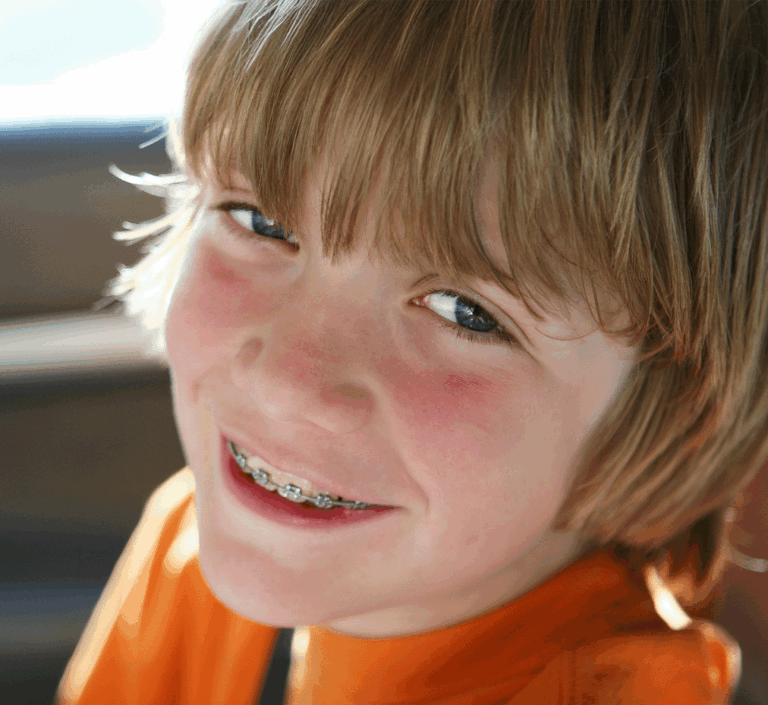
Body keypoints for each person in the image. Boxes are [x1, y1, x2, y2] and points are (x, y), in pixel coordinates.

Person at [56, 1, 768, 702]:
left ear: (674, 417)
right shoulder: (195, 539)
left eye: (467, 312)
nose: (286, 382)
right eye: (261, 221)